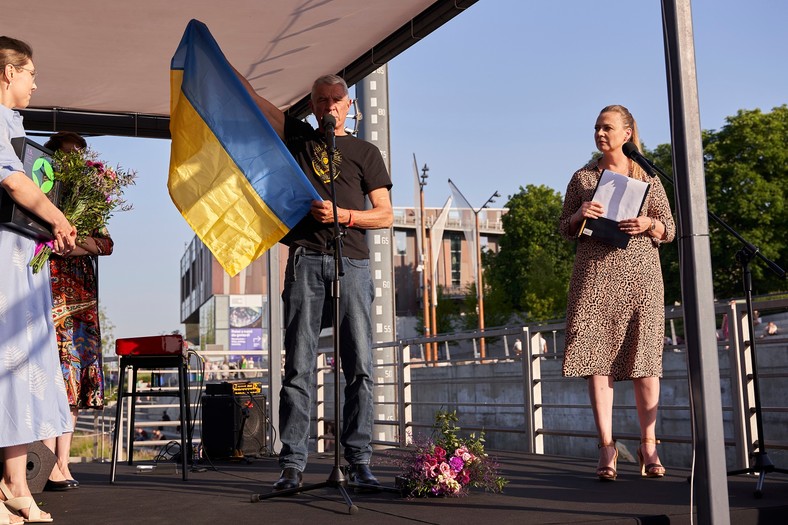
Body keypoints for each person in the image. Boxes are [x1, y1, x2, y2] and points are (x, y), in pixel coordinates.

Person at [236, 70, 393, 490]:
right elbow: (255, 102)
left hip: (353, 264)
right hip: (306, 259)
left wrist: (345, 216)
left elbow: (386, 214)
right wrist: (221, 60)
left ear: (348, 106)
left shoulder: (365, 151)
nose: (329, 106)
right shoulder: (299, 139)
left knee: (359, 365)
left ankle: (359, 459)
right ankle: (293, 463)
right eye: (321, 100)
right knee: (299, 365)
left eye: (336, 99)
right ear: (314, 105)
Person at [559, 105, 675, 482]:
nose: (599, 133)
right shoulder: (583, 178)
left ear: (627, 133)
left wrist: (649, 223)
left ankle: (648, 445)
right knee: (597, 362)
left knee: (645, 364)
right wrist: (580, 215)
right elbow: (563, 226)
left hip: (641, 280)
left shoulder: (649, 177)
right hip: (594, 279)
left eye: (607, 127)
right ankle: (606, 447)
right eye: (596, 127)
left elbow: (669, 229)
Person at [0, 35, 76, 523]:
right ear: (8, 73)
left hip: (21, 255)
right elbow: (12, 180)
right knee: (9, 361)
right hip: (5, 256)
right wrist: (59, 218)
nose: (35, 82)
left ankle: (13, 484)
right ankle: (13, 486)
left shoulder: (14, 125)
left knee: (20, 365)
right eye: (30, 73)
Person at [39, 131, 114, 492]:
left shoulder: (90, 198)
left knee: (75, 380)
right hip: (47, 296)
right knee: (50, 376)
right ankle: (43, 463)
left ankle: (62, 464)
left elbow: (106, 244)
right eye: (67, 157)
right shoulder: (40, 195)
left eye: (79, 157)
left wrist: (74, 243)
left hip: (81, 301)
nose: (74, 164)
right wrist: (59, 238)